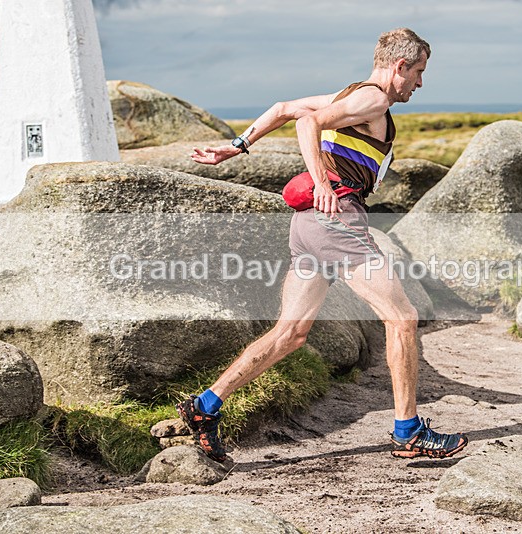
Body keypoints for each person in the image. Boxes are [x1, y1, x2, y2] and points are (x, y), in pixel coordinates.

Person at [177, 28, 468, 462]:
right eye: (419, 72)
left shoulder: (345, 95)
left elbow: (283, 108)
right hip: (336, 220)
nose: (420, 83)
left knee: (290, 333)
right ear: (399, 66)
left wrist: (235, 147)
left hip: (308, 227)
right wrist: (321, 184)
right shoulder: (374, 99)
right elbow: (307, 122)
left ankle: (205, 406)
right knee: (403, 318)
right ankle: (408, 432)